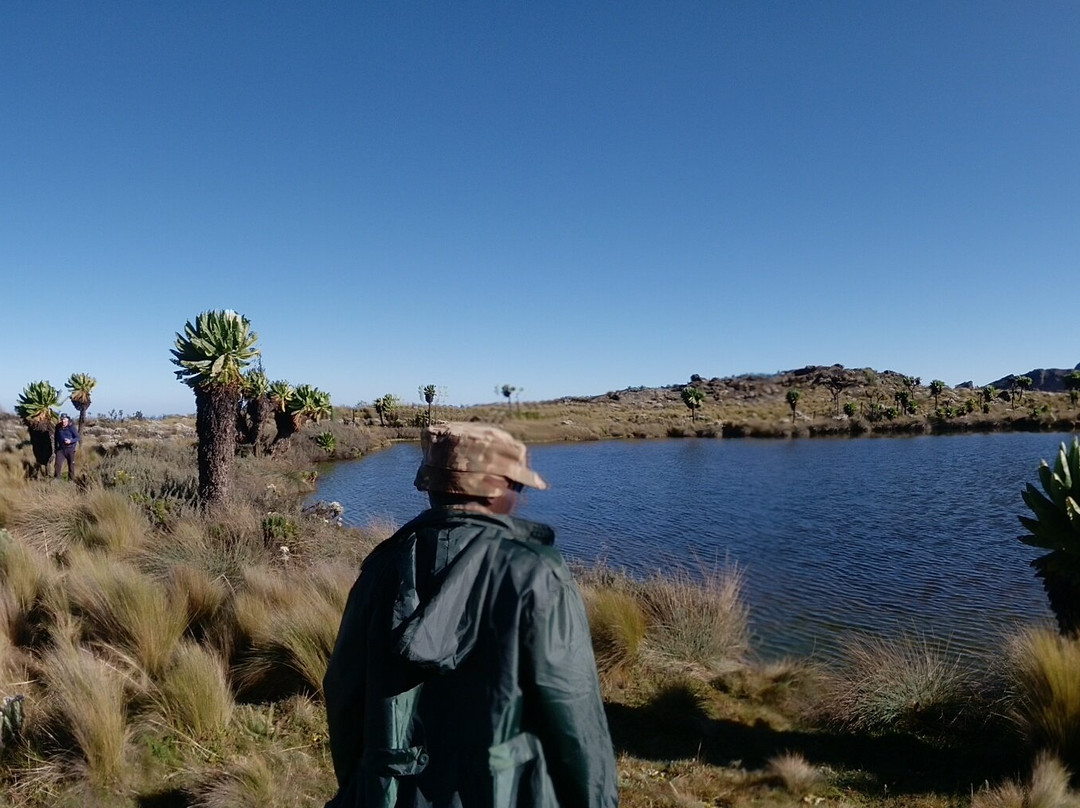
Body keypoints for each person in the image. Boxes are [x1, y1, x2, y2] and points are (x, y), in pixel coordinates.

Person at [323, 422, 618, 808]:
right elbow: (572, 707)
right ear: (500, 492)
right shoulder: (536, 573)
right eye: (517, 486)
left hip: (395, 794)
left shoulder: (381, 567)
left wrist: (361, 785)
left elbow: (343, 691)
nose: (519, 497)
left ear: (431, 487)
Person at [54, 413, 80, 480]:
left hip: (70, 449)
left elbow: (78, 437)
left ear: (68, 420)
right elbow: (55, 438)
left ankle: (71, 479)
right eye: (62, 419)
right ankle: (57, 479)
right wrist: (55, 448)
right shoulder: (58, 427)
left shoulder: (71, 427)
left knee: (71, 464)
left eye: (65, 420)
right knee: (57, 464)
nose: (63, 421)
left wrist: (70, 441)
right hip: (61, 449)